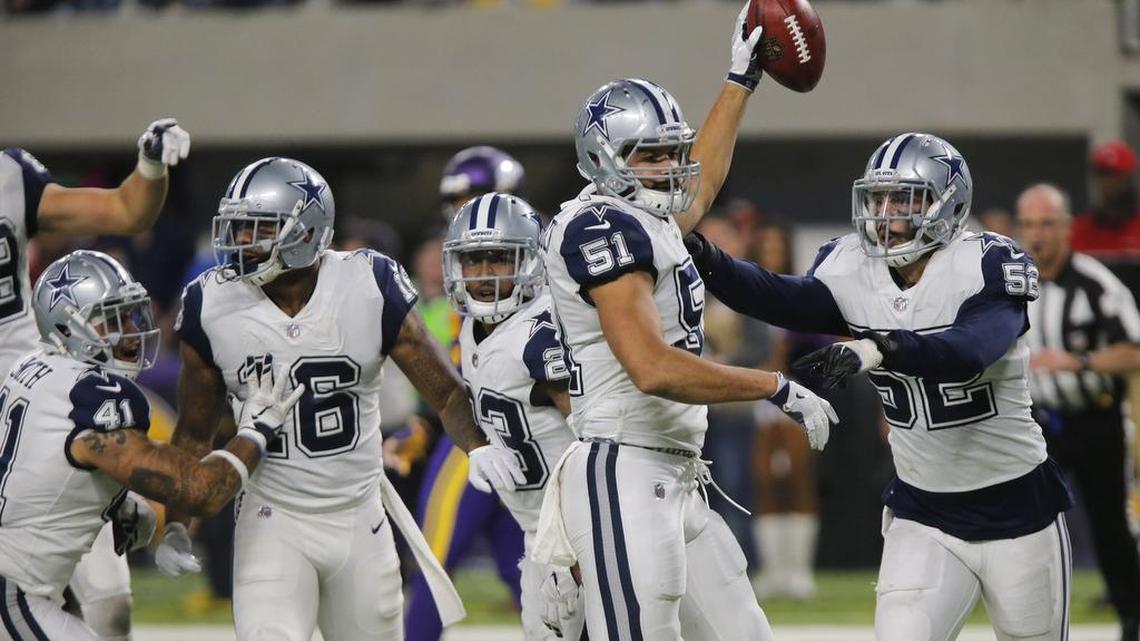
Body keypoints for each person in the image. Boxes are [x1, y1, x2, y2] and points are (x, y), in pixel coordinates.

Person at [684, 132, 1075, 641]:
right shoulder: (853, 267)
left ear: (946, 204)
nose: (884, 212)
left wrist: (879, 348)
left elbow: (969, 351)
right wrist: (702, 255)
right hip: (925, 511)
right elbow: (777, 297)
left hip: (1018, 506)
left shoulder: (986, 265)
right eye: (878, 198)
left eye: (903, 200)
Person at [534, 9, 838, 640]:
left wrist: (740, 80)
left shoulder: (643, 215)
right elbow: (651, 367)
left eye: (674, 152)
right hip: (623, 471)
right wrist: (771, 386)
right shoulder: (599, 227)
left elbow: (701, 187)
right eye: (653, 155)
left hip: (674, 473)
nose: (672, 167)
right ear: (605, 160)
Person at [166, 157, 523, 641]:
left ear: (307, 230)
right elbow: (193, 433)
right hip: (272, 516)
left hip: (359, 516)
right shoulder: (210, 304)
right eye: (239, 227)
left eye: (259, 228)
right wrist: (176, 521)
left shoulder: (367, 284)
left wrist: (477, 446)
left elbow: (445, 393)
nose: (242, 242)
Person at [0, 249, 300, 641]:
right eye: (113, 320)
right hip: (14, 595)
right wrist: (257, 430)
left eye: (130, 314)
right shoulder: (98, 398)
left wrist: (117, 502)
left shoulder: (30, 368)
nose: (131, 330)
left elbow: (43, 462)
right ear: (69, 330)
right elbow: (201, 492)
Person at [0, 119, 190, 641]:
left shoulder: (9, 177)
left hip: (37, 394)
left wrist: (150, 166)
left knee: (109, 601)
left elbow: (127, 209)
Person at [397, 146, 532, 641]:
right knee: (526, 570)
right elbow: (450, 363)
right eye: (456, 199)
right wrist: (424, 421)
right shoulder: (462, 265)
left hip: (496, 433)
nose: (462, 209)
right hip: (490, 427)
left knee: (447, 561)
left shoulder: (536, 257)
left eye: (472, 196)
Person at [440, 192, 584, 640]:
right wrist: (477, 445)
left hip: (580, 533)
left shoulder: (540, 334)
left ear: (530, 260)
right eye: (472, 261)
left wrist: (576, 549)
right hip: (539, 533)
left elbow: (599, 440)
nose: (483, 275)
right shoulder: (474, 327)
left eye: (498, 260)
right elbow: (453, 398)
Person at [1017, 183, 1140, 641]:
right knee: (1022, 518)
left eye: (1047, 223)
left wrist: (1080, 361)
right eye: (1029, 224)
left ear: (1067, 227)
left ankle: (1132, 616)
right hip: (1036, 422)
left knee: (1110, 524)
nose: (1037, 235)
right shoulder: (1012, 282)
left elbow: (1135, 350)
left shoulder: (1095, 282)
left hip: (1094, 417)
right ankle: (1025, 614)